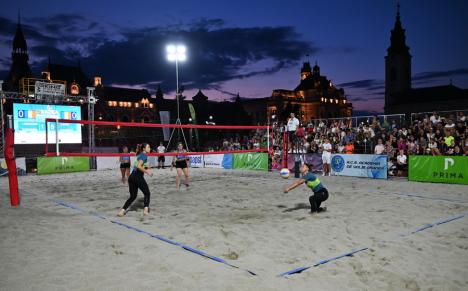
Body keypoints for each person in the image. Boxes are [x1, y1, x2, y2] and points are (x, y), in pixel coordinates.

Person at [117, 143, 153, 217]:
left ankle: (122, 211)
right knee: (147, 193)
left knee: (133, 196)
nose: (150, 148)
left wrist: (147, 168)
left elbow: (140, 165)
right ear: (144, 149)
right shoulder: (144, 155)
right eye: (148, 147)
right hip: (137, 177)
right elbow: (139, 166)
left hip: (132, 177)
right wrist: (148, 172)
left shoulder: (140, 154)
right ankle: (145, 211)